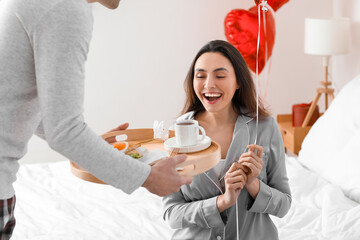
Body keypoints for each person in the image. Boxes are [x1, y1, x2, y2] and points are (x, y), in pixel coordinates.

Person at [0, 0, 192, 238]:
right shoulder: (65, 7)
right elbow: (65, 133)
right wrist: (149, 178)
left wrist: (95, 146)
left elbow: (16, 105)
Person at [163, 40, 291, 240]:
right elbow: (171, 214)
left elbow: (284, 205)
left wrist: (253, 184)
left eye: (220, 75)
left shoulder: (266, 127)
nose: (209, 84)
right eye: (200, 76)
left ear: (239, 81)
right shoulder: (177, 132)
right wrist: (222, 202)